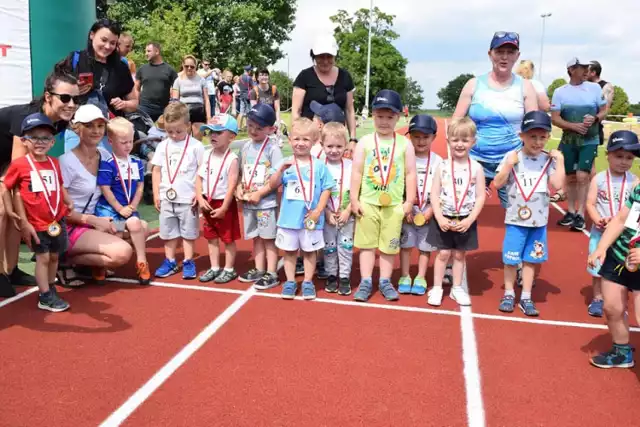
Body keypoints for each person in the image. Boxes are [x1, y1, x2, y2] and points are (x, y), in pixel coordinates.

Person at [0, 71, 79, 292]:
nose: (71, 104)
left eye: (75, 99)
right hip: (7, 161)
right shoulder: (26, 117)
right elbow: (17, 174)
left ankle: (11, 269)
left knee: (16, 212)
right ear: (48, 97)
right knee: (4, 211)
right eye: (65, 98)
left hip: (4, 160)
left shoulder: (59, 122)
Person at [493, 111, 565, 316]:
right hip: (516, 219)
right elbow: (497, 183)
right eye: (532, 136)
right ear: (521, 135)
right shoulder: (512, 157)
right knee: (510, 259)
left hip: (538, 222)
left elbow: (558, 185)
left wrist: (560, 162)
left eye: (542, 137)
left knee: (531, 260)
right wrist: (508, 165)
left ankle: (525, 296)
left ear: (548, 137)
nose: (537, 141)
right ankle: (508, 293)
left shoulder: (548, 160)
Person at [453, 32, 537, 207]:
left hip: (511, 160)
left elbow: (534, 127)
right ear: (490, 54)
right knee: (462, 210)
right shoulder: (473, 84)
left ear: (517, 56)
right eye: (499, 52)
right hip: (475, 159)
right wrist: (457, 155)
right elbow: (455, 123)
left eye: (510, 52)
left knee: (518, 213)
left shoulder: (525, 87)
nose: (504, 57)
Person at [1, 114, 73, 311]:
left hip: (57, 220)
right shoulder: (20, 164)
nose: (40, 142)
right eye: (34, 137)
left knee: (55, 256)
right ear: (24, 141)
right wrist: (9, 210)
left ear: (52, 142)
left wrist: (68, 201)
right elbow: (6, 187)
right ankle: (44, 296)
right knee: (43, 257)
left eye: (45, 138)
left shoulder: (54, 163)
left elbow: (59, 185)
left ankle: (50, 286)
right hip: (36, 222)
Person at [350, 89, 417, 302]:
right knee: (367, 245)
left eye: (390, 117)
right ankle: (366, 281)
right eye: (380, 116)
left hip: (394, 205)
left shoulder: (405, 144)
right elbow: (357, 171)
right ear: (372, 116)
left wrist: (409, 201)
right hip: (368, 203)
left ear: (398, 117)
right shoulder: (365, 142)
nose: (384, 121)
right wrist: (353, 199)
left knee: (389, 247)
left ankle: (385, 281)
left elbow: (410, 173)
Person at [59, 104, 133, 286]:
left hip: (97, 221)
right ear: (77, 129)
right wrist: (94, 221)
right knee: (122, 253)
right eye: (89, 125)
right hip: (70, 227)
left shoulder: (105, 155)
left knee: (139, 227)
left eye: (100, 126)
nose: (96, 131)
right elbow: (60, 211)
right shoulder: (66, 161)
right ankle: (63, 262)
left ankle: (85, 262)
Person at [587, 134, 640, 369]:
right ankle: (621, 352)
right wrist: (601, 247)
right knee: (612, 307)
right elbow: (621, 219)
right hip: (619, 253)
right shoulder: (638, 189)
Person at [269, 118, 333, 300]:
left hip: (310, 220)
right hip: (288, 219)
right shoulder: (286, 163)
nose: (300, 143)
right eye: (296, 139)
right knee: (289, 252)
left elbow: (327, 189)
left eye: (306, 139)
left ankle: (307, 281)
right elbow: (273, 184)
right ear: (290, 140)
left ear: (313, 142)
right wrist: (280, 170)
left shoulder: (319, 166)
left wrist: (318, 211)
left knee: (309, 252)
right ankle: (290, 281)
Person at [427, 117, 486, 307]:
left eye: (465, 140)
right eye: (455, 140)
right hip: (443, 219)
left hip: (465, 220)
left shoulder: (477, 168)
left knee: (460, 255)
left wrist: (470, 220)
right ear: (448, 141)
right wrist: (439, 216)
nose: (459, 144)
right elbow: (434, 195)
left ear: (473, 142)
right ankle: (437, 287)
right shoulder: (442, 167)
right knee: (443, 253)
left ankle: (457, 288)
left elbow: (480, 197)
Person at [551, 57, 607, 232]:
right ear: (571, 70)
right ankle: (571, 211)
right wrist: (573, 126)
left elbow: (604, 110)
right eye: (582, 67)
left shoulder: (595, 88)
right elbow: (555, 118)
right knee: (570, 177)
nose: (586, 71)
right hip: (569, 140)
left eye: (587, 67)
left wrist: (596, 118)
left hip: (590, 140)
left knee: (583, 176)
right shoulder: (560, 92)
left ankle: (581, 215)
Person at [152, 102, 204, 280]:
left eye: (179, 131)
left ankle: (189, 260)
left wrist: (199, 193)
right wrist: (156, 193)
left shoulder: (196, 147)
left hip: (187, 199)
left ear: (188, 126)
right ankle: (170, 260)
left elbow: (201, 172)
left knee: (188, 233)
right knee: (168, 233)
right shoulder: (162, 146)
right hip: (167, 198)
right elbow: (156, 171)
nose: (174, 135)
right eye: (169, 131)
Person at [95, 117, 150, 284]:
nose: (128, 145)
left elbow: (140, 186)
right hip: (110, 210)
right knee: (116, 230)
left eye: (130, 141)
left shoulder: (137, 163)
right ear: (111, 142)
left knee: (135, 224)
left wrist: (133, 205)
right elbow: (106, 189)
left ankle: (142, 262)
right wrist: (119, 208)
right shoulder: (107, 164)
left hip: (129, 209)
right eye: (123, 142)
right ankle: (101, 264)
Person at [236, 104, 283, 290]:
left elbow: (277, 178)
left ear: (271, 129)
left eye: (259, 127)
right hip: (249, 203)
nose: (253, 130)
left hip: (266, 203)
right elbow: (240, 172)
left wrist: (260, 193)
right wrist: (239, 188)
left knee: (268, 238)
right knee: (256, 237)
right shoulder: (245, 147)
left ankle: (271, 273)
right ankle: (259, 268)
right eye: (250, 126)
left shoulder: (273, 149)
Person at [398, 115, 443, 296]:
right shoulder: (403, 158)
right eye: (416, 136)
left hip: (428, 210)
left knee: (425, 247)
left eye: (425, 137)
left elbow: (442, 189)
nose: (420, 141)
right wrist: (405, 206)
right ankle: (405, 275)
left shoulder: (439, 161)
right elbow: (398, 184)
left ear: (434, 137)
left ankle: (421, 276)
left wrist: (431, 211)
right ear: (409, 137)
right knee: (406, 245)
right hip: (408, 211)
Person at [60, 19, 137, 118]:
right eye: (103, 40)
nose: (107, 46)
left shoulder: (121, 67)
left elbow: (134, 103)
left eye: (113, 43)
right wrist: (74, 90)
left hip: (110, 128)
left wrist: (124, 104)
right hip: (77, 127)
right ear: (92, 35)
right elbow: (56, 94)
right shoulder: (75, 59)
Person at [292, 36, 358, 153]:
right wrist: (297, 137)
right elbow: (296, 111)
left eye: (329, 56)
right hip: (312, 141)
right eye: (321, 56)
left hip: (336, 142)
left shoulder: (345, 76)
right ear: (314, 56)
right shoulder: (304, 76)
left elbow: (349, 109)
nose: (325, 61)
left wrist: (352, 139)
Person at [196, 115, 241, 284]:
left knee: (228, 238)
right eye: (210, 132)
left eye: (219, 132)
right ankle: (214, 267)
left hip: (224, 204)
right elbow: (199, 178)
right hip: (208, 201)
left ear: (231, 137)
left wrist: (224, 207)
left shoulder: (232, 159)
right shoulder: (206, 154)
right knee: (211, 237)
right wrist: (200, 197)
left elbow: (231, 186)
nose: (213, 135)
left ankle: (229, 269)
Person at [320, 122, 354, 295]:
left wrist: (348, 210)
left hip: (347, 216)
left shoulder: (351, 166)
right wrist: (326, 212)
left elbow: (357, 191)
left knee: (346, 247)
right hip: (328, 216)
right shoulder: (319, 166)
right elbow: (316, 194)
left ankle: (345, 277)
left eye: (339, 146)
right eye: (329, 146)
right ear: (322, 145)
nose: (334, 150)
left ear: (346, 146)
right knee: (329, 247)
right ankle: (332, 274)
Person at [136, 42, 179, 122]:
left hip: (164, 108)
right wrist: (136, 104)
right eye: (146, 51)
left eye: (148, 51)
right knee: (143, 133)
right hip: (145, 107)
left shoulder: (170, 70)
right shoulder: (142, 69)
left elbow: (176, 88)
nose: (146, 54)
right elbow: (136, 88)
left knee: (163, 133)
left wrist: (173, 103)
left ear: (157, 52)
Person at [172, 55, 211, 139]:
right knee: (185, 139)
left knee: (198, 140)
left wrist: (208, 117)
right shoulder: (178, 80)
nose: (189, 68)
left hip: (199, 111)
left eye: (192, 66)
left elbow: (206, 100)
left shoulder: (202, 80)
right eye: (186, 66)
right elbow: (175, 101)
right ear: (183, 66)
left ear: (195, 67)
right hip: (184, 111)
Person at [587, 61, 615, 146]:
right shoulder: (584, 85)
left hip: (593, 130)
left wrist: (592, 120)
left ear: (593, 73)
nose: (584, 72)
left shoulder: (606, 86)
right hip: (576, 128)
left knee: (588, 158)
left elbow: (604, 110)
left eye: (586, 70)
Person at [236, 66, 255, 131]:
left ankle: (238, 127)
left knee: (241, 112)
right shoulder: (249, 78)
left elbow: (238, 84)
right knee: (249, 112)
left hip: (241, 96)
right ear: (249, 71)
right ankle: (249, 126)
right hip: (247, 96)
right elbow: (253, 87)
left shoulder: (240, 77)